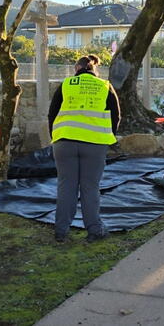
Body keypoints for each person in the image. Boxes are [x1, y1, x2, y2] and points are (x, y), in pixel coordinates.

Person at [48, 55, 119, 243]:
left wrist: (55, 137)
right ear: (94, 69)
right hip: (95, 144)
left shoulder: (66, 84)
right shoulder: (105, 86)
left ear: (76, 68)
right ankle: (94, 230)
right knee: (90, 187)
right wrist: (107, 137)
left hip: (64, 142)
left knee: (66, 186)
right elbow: (116, 116)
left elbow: (52, 113)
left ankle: (61, 231)